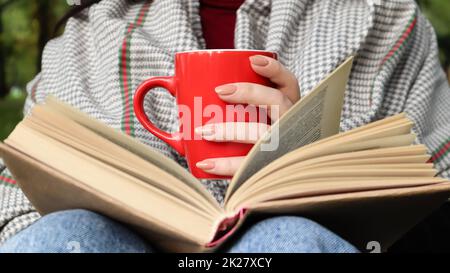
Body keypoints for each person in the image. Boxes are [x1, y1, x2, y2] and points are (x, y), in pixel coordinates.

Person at [0, 0, 449, 253]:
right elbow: (16, 207)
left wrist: (312, 163)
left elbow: (432, 207)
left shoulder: (383, 20)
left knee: (290, 242)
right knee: (65, 237)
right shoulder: (87, 40)